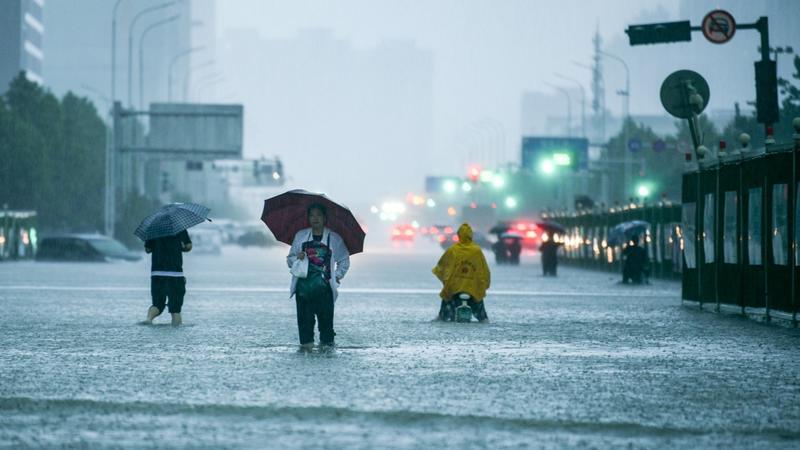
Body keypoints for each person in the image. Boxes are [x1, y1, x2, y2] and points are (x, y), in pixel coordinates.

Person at [287, 204, 350, 351]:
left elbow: (344, 260)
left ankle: (326, 357)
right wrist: (298, 258)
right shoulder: (301, 236)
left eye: (318, 215)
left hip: (325, 290)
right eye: (312, 215)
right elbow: (290, 260)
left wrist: (337, 276)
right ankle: (306, 352)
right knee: (305, 331)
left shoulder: (334, 238)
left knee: (327, 332)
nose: (315, 218)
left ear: (325, 218)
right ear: (308, 218)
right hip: (303, 290)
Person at [432, 223, 491, 322]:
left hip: (454, 288)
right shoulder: (477, 251)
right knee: (482, 316)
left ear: (459, 235)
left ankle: (442, 316)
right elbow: (483, 270)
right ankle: (483, 318)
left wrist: (446, 280)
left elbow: (441, 267)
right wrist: (484, 284)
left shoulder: (452, 250)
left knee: (446, 300)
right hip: (473, 289)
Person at [144, 230, 192, 326]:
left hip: (157, 273)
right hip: (175, 274)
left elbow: (147, 249)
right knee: (175, 308)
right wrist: (181, 247)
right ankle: (176, 331)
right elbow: (188, 246)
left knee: (157, 304)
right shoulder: (180, 229)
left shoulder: (154, 229)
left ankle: (148, 319)